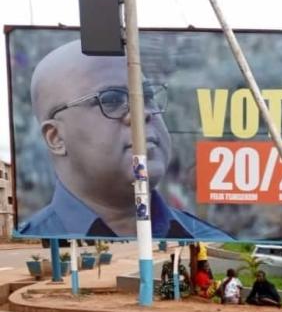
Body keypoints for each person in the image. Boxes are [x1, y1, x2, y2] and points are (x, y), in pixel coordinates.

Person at [18, 40, 232, 240]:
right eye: (111, 100)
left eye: (147, 96)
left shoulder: (211, 243)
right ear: (56, 138)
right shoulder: (27, 252)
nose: (143, 113)